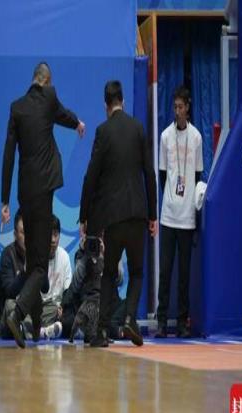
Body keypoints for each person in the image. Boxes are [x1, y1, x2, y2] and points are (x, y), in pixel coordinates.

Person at [1, 61, 85, 348]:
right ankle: (18, 314)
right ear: (46, 81)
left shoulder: (16, 107)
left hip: (25, 191)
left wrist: (4, 200)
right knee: (39, 268)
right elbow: (64, 115)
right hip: (44, 189)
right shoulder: (49, 97)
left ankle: (35, 327)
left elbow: (8, 155)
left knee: (33, 263)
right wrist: (78, 123)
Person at [79, 80, 157, 347]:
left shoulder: (103, 131)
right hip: (137, 214)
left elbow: (91, 176)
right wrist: (153, 215)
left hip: (112, 218)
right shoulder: (138, 128)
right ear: (122, 101)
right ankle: (129, 319)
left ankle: (101, 331)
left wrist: (84, 215)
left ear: (106, 105)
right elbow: (149, 173)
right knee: (136, 273)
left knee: (109, 274)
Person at [156, 86, 203, 338]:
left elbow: (198, 175)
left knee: (184, 273)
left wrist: (187, 201)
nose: (177, 111)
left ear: (188, 107)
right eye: (174, 107)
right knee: (165, 271)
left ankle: (183, 321)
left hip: (187, 217)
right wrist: (172, 197)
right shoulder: (165, 136)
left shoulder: (196, 137)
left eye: (181, 107)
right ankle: (162, 321)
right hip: (168, 215)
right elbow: (163, 175)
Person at [23, 214, 72, 340]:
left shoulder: (64, 257)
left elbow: (68, 290)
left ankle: (37, 331)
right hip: (35, 306)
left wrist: (63, 307)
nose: (53, 240)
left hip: (54, 309)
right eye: (50, 235)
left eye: (56, 235)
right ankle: (43, 330)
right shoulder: (34, 256)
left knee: (69, 314)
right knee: (13, 306)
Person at [0, 210, 26, 338]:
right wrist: (24, 272)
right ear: (15, 234)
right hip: (11, 311)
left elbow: (45, 288)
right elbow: (9, 292)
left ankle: (26, 329)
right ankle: (33, 330)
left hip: (30, 309)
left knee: (51, 308)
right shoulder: (7, 254)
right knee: (10, 305)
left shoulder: (36, 254)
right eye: (23, 232)